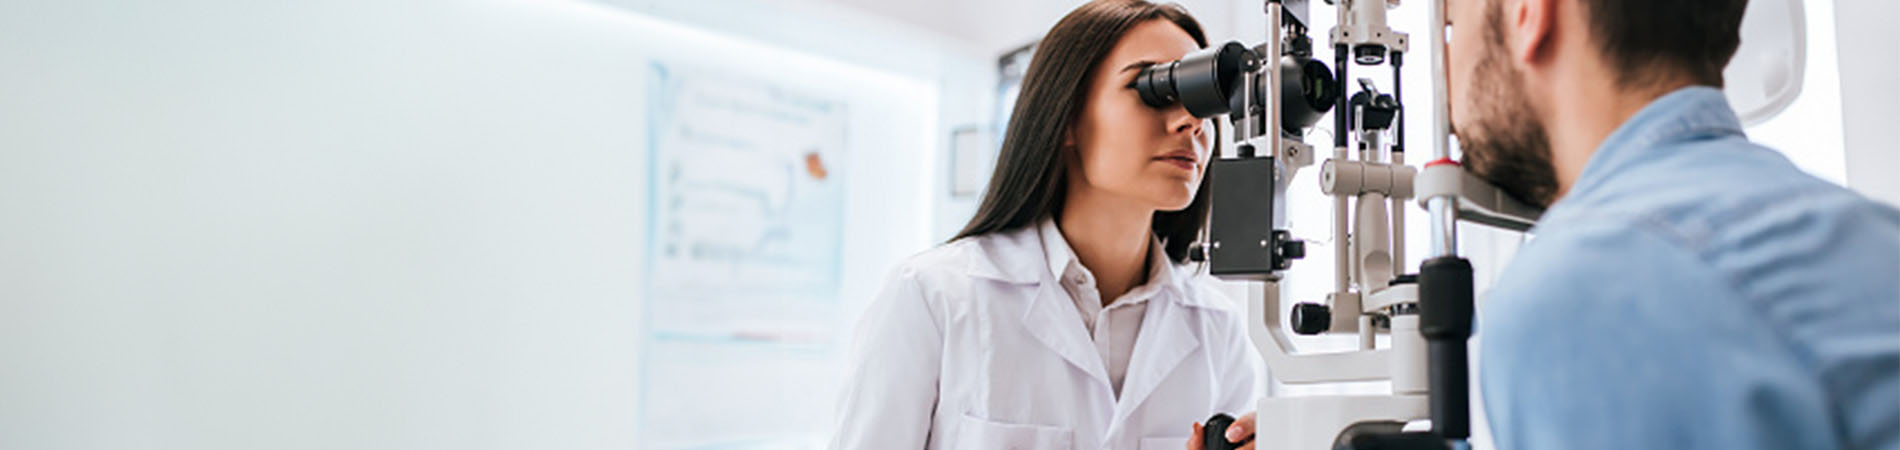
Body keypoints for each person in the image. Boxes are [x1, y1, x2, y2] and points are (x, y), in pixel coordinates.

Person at [1443, 0, 1900, 448]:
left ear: (1528, 14)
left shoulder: (1582, 287)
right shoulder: (1873, 233)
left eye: (1451, 21)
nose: (1446, 74)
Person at [827, 1, 1268, 449]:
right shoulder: (934, 297)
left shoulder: (1219, 329)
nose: (1189, 121)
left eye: (1201, 98)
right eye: (1154, 88)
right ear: (1066, 118)